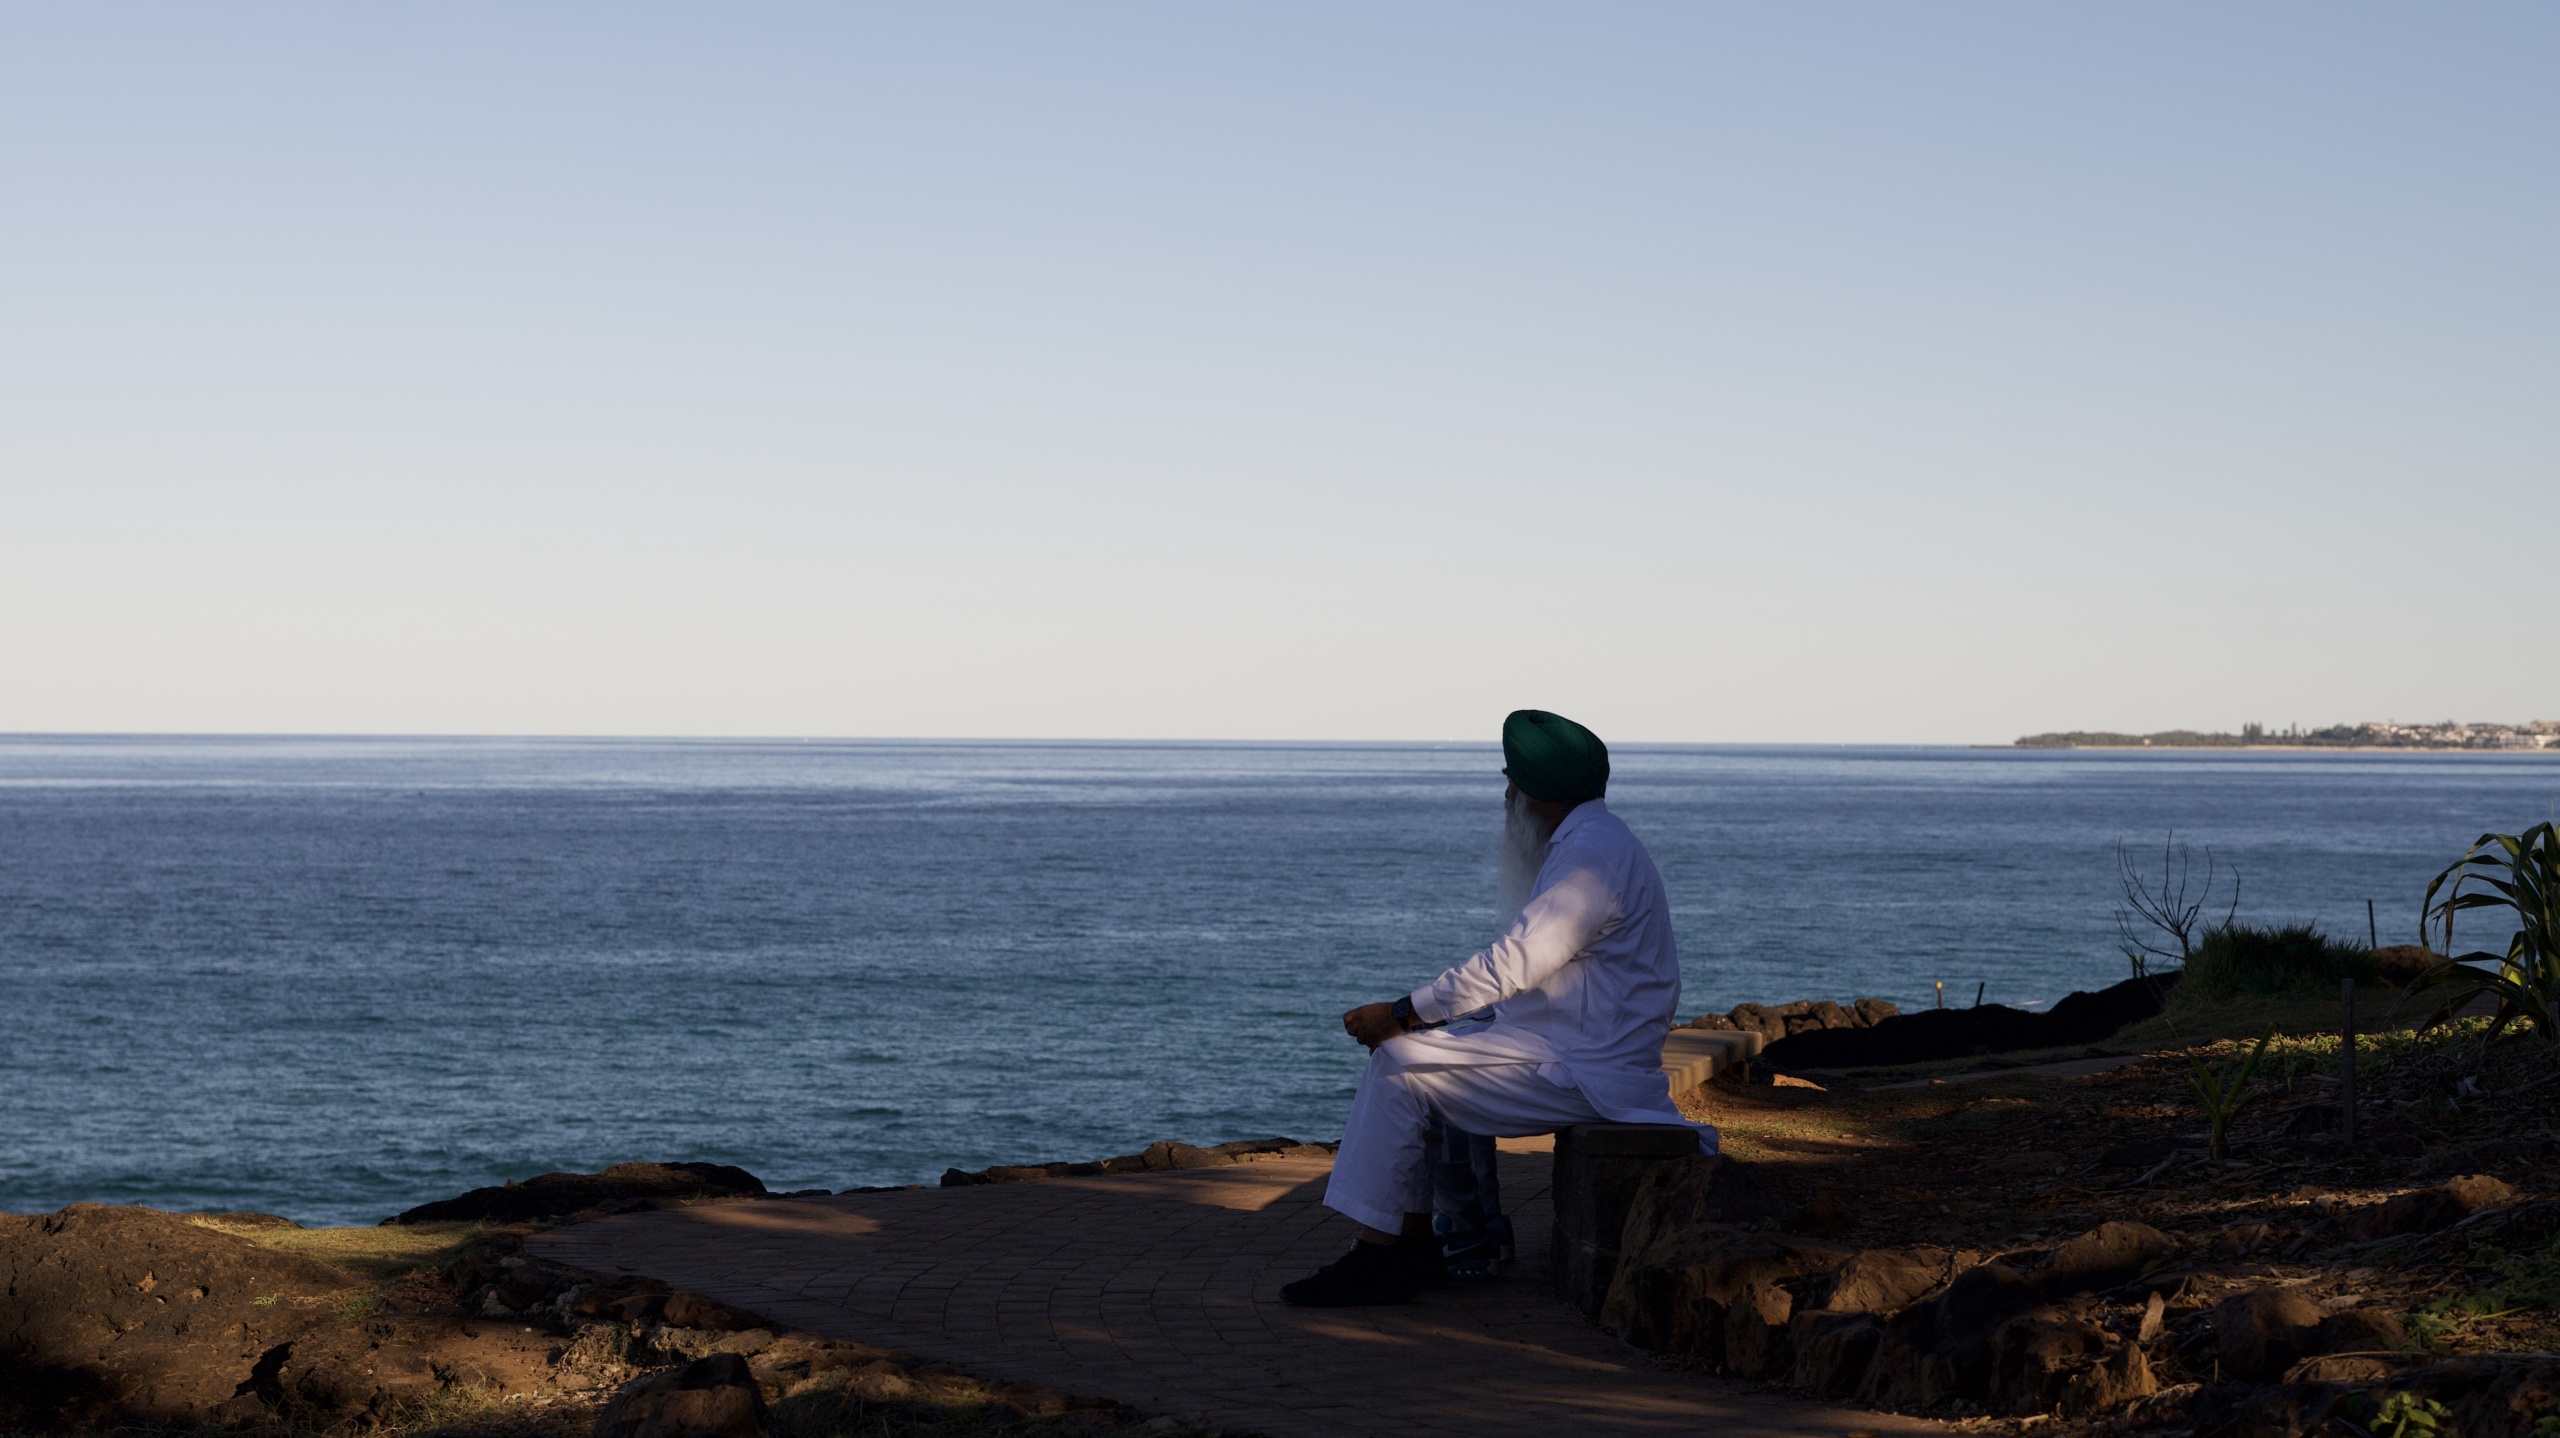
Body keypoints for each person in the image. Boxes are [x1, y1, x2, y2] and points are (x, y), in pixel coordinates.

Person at [1280, 708, 1716, 1308]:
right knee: (1421, 1055)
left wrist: (1403, 1012)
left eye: (1512, 781)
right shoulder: (1598, 841)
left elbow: (1513, 965)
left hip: (1586, 1069)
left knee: (1398, 1067)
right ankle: (1418, 1245)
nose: (1506, 794)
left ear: (1536, 794)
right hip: (1577, 1048)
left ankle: (1381, 1256)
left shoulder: (1590, 860)